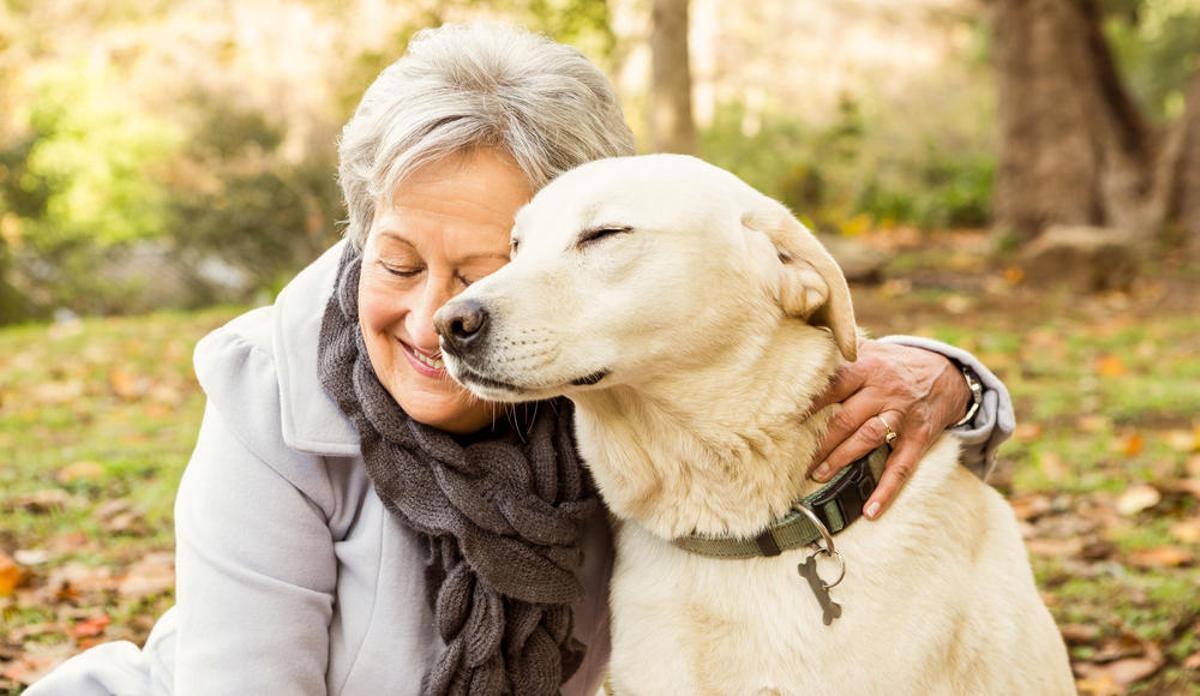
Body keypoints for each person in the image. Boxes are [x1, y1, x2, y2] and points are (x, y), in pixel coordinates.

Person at [27, 22, 1013, 696]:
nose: (441, 318)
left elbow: (753, 351)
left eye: (485, 270)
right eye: (397, 262)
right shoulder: (270, 392)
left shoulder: (593, 381)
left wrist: (953, 379)